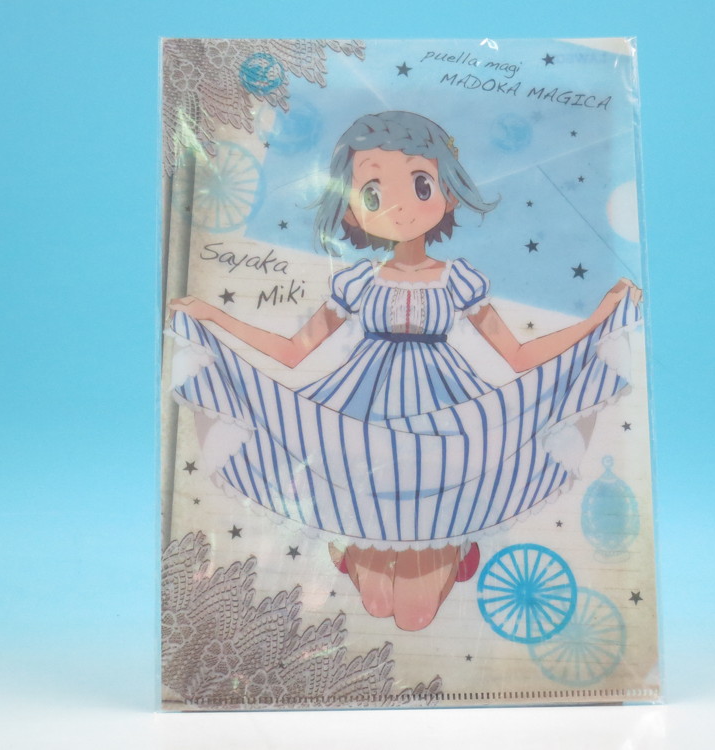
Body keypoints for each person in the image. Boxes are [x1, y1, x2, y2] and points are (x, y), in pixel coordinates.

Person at [169, 111, 641, 631]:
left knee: (415, 615)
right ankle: (354, 538)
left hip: (448, 422)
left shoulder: (458, 280)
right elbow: (292, 352)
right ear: (351, 209)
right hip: (357, 419)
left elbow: (519, 358)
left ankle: (448, 543)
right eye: (372, 193)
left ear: (448, 194)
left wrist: (598, 321)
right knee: (375, 605)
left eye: (420, 185)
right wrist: (213, 317)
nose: (398, 207)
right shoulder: (355, 283)